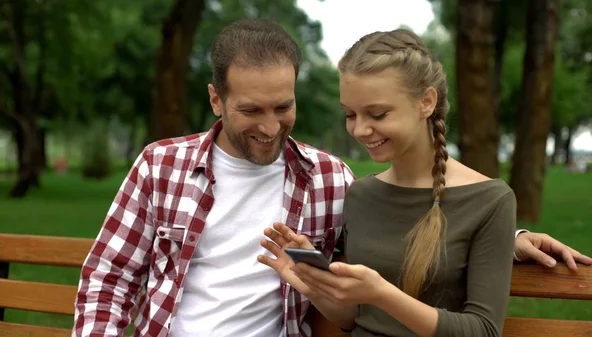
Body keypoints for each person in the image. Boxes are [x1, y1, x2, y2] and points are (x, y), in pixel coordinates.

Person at [72, 19, 591, 337]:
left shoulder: (329, 179)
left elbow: (429, 207)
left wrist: (511, 238)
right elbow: (108, 278)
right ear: (215, 99)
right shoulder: (161, 166)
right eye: (251, 109)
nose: (270, 127)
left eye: (284, 106)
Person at [259, 29, 592, 337]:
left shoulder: (490, 199)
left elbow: (483, 330)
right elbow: (351, 319)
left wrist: (384, 294)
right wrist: (313, 281)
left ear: (427, 102)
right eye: (350, 115)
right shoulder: (360, 194)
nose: (360, 130)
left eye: (377, 115)